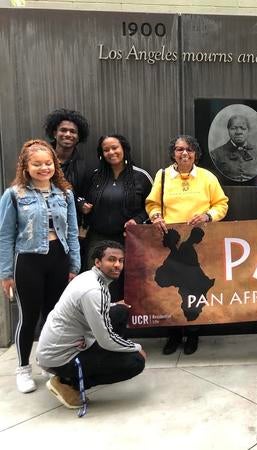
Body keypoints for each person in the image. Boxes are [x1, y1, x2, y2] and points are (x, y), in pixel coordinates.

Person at [0, 140, 80, 393]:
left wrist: (74, 266)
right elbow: (5, 235)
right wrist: (5, 273)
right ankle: (23, 367)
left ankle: (47, 361)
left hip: (59, 258)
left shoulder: (64, 194)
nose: (44, 168)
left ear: (55, 166)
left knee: (53, 315)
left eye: (48, 163)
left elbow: (73, 232)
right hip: (29, 261)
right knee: (29, 316)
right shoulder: (14, 194)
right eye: (37, 164)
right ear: (26, 166)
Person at [36, 241, 145, 411]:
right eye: (111, 259)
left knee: (121, 311)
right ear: (98, 262)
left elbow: (94, 309)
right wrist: (134, 347)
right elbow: (105, 340)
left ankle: (98, 365)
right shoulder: (93, 290)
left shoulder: (88, 277)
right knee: (136, 361)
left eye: (121, 260)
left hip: (66, 344)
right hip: (60, 358)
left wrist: (115, 306)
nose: (117, 265)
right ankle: (69, 384)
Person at [146, 135, 228, 355]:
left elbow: (222, 204)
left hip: (197, 246)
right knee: (172, 290)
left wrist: (208, 216)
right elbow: (152, 203)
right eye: (180, 149)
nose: (184, 153)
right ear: (173, 152)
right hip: (170, 245)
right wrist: (156, 216)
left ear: (196, 154)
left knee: (193, 288)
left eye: (189, 150)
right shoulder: (162, 176)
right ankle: (173, 334)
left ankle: (193, 333)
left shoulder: (207, 177)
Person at [83, 134, 153, 303]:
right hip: (98, 239)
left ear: (124, 149)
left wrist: (137, 220)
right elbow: (79, 198)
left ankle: (123, 326)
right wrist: (83, 205)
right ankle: (98, 324)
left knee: (127, 284)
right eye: (106, 150)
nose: (111, 152)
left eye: (115, 148)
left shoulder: (141, 176)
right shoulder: (94, 176)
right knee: (97, 286)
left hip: (128, 240)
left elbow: (152, 207)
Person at [43, 108, 90, 221]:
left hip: (69, 225)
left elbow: (83, 196)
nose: (68, 134)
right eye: (63, 130)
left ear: (78, 137)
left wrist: (82, 204)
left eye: (73, 131)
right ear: (55, 133)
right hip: (41, 221)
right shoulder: (40, 159)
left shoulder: (84, 167)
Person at [211, 115, 257, 182]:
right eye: (233, 128)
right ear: (228, 130)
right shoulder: (215, 154)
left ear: (248, 130)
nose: (238, 132)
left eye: (243, 128)